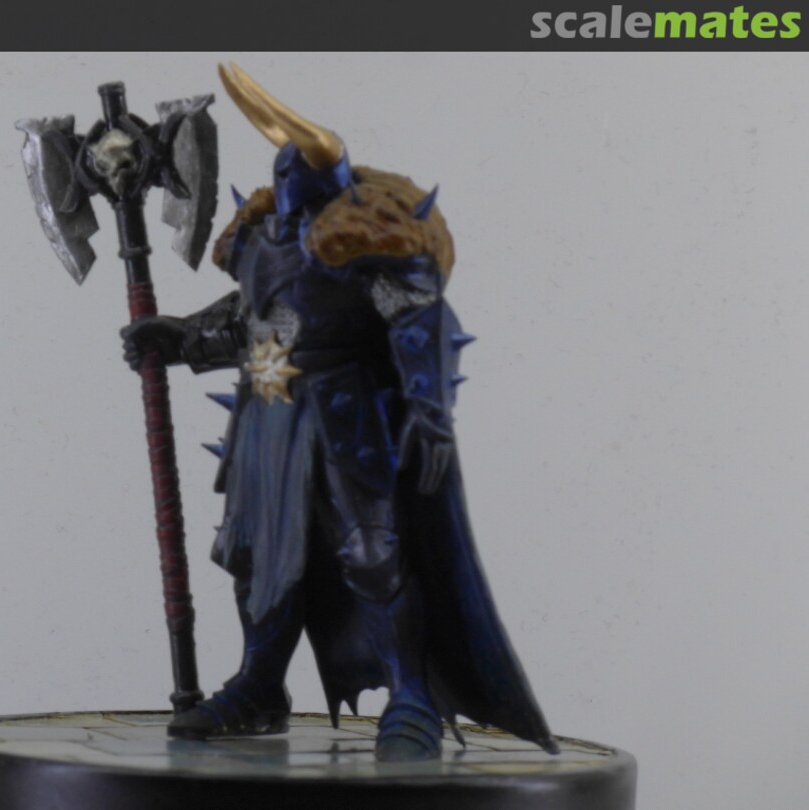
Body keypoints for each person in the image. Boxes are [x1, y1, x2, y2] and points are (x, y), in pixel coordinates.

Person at [121, 64, 557, 762]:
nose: (292, 193)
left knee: (373, 554)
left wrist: (429, 413)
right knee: (255, 557)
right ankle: (260, 683)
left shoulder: (364, 243)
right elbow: (257, 317)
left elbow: (419, 323)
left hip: (347, 415)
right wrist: (180, 337)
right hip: (267, 416)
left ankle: (409, 694)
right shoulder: (262, 239)